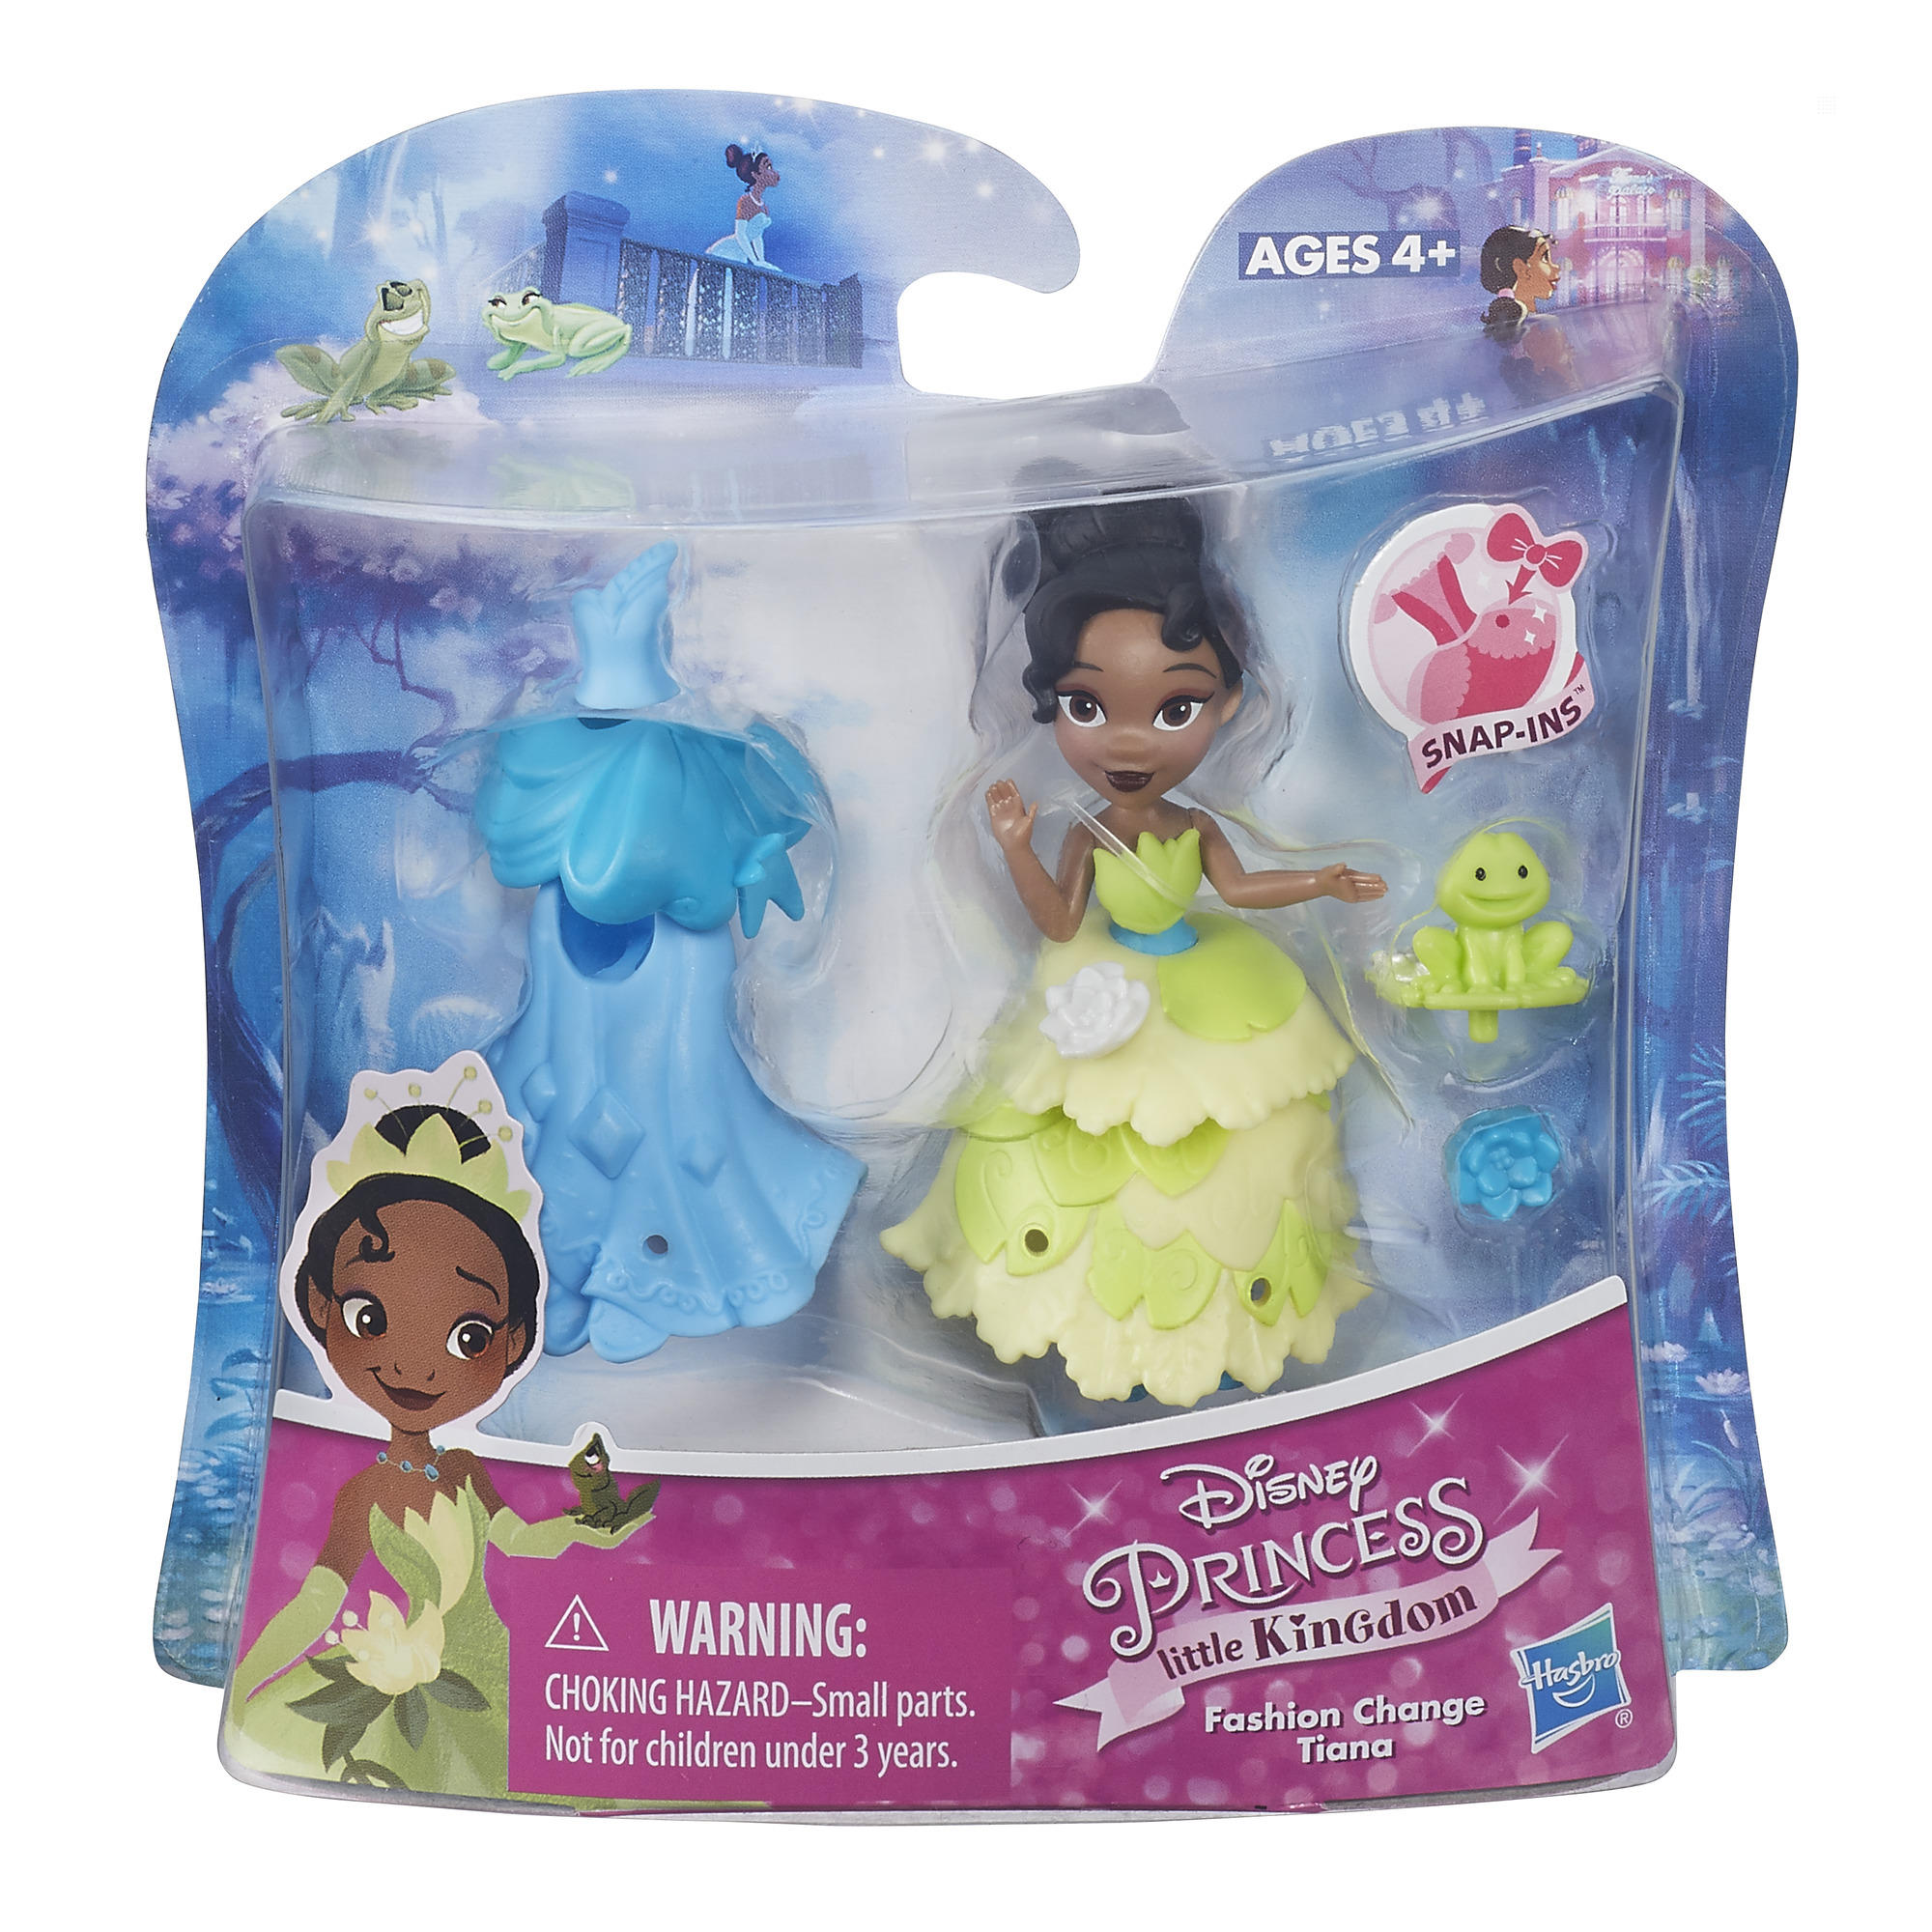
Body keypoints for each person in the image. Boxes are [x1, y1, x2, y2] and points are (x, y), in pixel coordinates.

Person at [882, 498, 1386, 1407]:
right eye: (1086, 705)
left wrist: (1320, 880)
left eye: (1175, 706)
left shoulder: (1194, 826)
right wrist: (1014, 847)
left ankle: (1220, 1325)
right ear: (1052, 704)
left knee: (1244, 1139)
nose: (1126, 739)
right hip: (1096, 988)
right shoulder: (1086, 832)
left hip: (1211, 985)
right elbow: (1058, 921)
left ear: (1228, 704)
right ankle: (1091, 1323)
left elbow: (1240, 890)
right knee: (1065, 1135)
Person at [225, 1087, 648, 1797]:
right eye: (369, 1319)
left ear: (513, 1340)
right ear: (322, 1305)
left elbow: (518, 1541)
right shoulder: (364, 1494)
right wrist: (246, 1676)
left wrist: (584, 1528)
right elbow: (314, 1604)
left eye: (467, 1337)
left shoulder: (466, 1470)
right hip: (419, 1677)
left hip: (496, 1669)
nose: (415, 1369)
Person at [706, 142, 780, 270]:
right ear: (755, 174)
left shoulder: (763, 205)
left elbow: (757, 236)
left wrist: (761, 261)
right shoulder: (745, 201)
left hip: (742, 254)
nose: (774, 172)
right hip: (729, 252)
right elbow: (740, 235)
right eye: (767, 167)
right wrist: (754, 261)